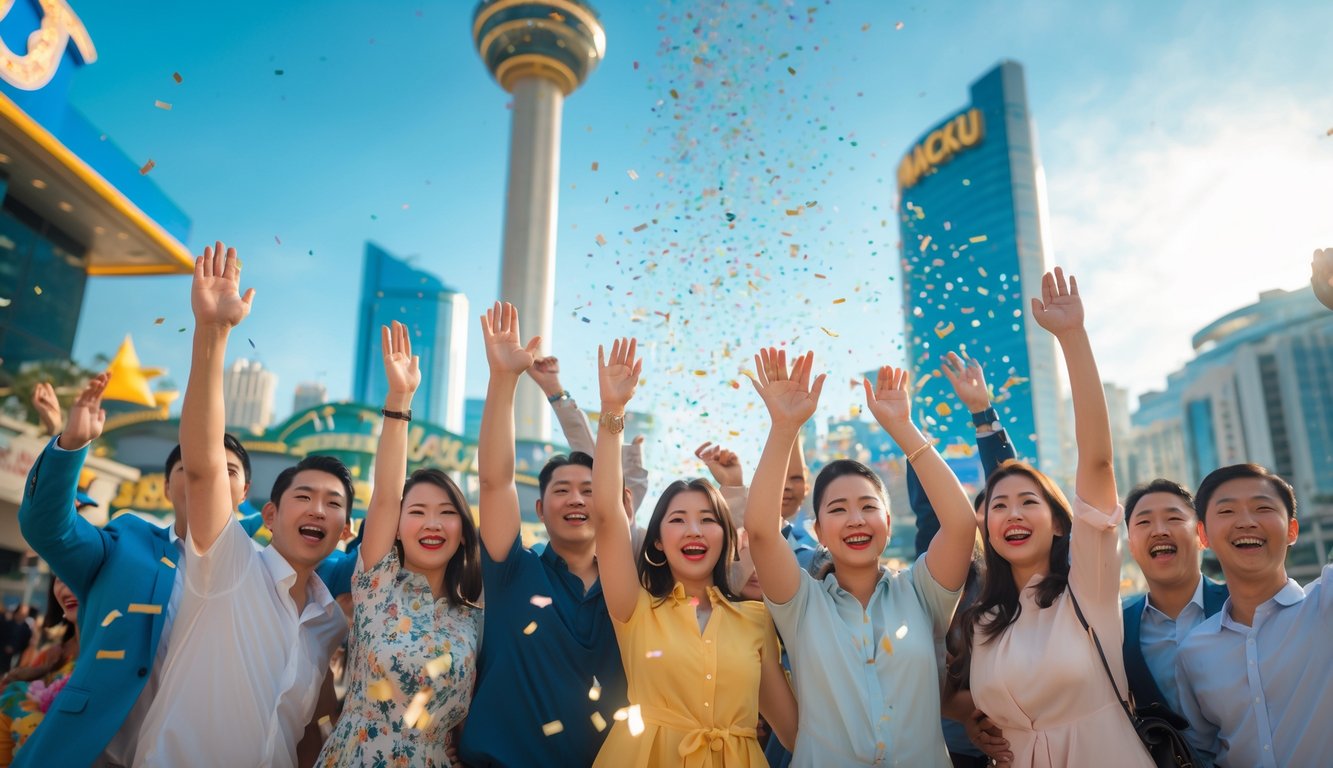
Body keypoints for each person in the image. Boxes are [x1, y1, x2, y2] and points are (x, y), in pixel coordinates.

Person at [132, 241, 348, 767]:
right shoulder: (226, 564)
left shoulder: (329, 624)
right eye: (303, 496)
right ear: (268, 515)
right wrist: (212, 333)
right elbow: (204, 466)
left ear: (345, 529)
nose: (317, 509)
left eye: (333, 503)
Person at [946, 268, 1152, 768]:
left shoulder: (1089, 586)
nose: (1012, 513)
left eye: (1028, 502)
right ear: (986, 530)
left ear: (1060, 522)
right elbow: (939, 690)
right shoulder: (981, 620)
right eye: (998, 506)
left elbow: (1098, 462)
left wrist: (1072, 338)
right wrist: (970, 716)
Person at [746, 347, 974, 766]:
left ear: (887, 521)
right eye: (837, 509)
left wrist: (903, 428)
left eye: (868, 507)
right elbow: (760, 531)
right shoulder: (801, 604)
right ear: (818, 532)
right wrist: (783, 428)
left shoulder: (922, 593)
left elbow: (961, 525)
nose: (855, 520)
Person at [590, 336, 796, 767]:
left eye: (707, 519)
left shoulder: (757, 619)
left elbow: (794, 731)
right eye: (678, 519)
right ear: (658, 542)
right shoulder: (634, 609)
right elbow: (608, 517)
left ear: (725, 536)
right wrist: (613, 411)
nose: (694, 529)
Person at [458, 303, 628, 768]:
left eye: (589, 491)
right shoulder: (512, 571)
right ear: (539, 508)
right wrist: (503, 379)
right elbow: (496, 481)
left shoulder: (633, 588)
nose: (576, 500)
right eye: (562, 491)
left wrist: (611, 411)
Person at [317, 320, 482, 767]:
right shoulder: (377, 582)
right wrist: (399, 400)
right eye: (418, 511)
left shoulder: (473, 616)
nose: (433, 523)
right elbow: (387, 493)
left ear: (463, 530)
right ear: (394, 526)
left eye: (447, 512)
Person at [1175, 463, 1332, 767]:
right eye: (1227, 511)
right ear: (1203, 536)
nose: (1246, 522)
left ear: (1292, 531)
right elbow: (1204, 752)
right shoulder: (1193, 652)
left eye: (1263, 508)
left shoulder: (1326, 602)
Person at [909, 353, 1017, 768]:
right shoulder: (945, 579)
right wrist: (912, 443)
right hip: (954, 750)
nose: (1007, 516)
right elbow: (927, 513)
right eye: (990, 509)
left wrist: (983, 414)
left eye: (1014, 507)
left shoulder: (1032, 580)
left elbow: (1011, 480)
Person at [1120, 480, 1227, 720]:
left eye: (1174, 518)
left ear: (1202, 535)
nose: (1159, 530)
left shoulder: (1241, 604)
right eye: (1144, 522)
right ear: (1132, 547)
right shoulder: (1119, 629)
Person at [0, 577, 79, 766]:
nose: (66, 590)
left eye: (75, 574)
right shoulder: (51, 656)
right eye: (60, 578)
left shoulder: (117, 658)